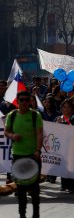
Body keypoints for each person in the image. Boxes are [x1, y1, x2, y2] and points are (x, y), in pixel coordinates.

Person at [4, 90, 43, 218]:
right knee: (20, 188)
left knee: (34, 187)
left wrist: (37, 150)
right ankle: (22, 213)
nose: (25, 102)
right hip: (18, 156)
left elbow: (39, 134)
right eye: (22, 100)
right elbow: (6, 132)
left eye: (27, 100)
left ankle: (36, 213)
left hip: (33, 155)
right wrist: (13, 136)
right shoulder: (12, 115)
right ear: (18, 101)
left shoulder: (35, 115)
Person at [55, 99, 74, 193]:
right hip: (61, 145)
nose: (66, 109)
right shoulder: (59, 118)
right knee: (62, 165)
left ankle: (71, 185)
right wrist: (57, 123)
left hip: (72, 145)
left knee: (71, 165)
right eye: (64, 107)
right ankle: (63, 184)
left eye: (68, 107)